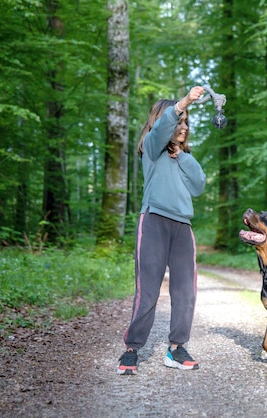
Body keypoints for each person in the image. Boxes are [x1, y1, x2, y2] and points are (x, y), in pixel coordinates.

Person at [117, 86, 207, 375]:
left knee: (186, 292)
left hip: (182, 227)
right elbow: (162, 129)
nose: (183, 126)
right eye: (179, 121)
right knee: (148, 291)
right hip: (154, 222)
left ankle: (176, 348)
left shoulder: (182, 158)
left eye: (186, 122)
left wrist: (181, 154)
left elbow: (199, 185)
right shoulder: (152, 148)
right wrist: (184, 102)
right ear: (164, 120)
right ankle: (132, 348)